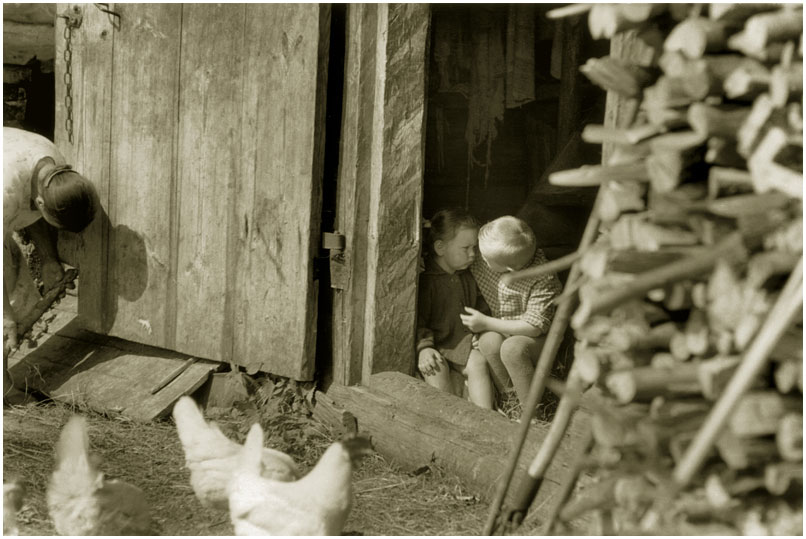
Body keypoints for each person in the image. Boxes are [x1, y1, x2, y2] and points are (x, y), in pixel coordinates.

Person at [3, 126, 98, 398]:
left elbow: (34, 209)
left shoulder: (54, 168)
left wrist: (49, 260)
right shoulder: (6, 191)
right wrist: (5, 316)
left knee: (19, 295)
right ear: (41, 203)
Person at [462, 215, 562, 408]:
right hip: (504, 327)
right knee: (488, 341)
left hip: (538, 339)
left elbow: (534, 327)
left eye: (483, 257)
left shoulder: (543, 278)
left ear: (509, 269)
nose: (476, 256)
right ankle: (510, 398)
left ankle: (531, 410)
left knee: (512, 349)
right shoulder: (490, 254)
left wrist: (486, 323)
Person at [416, 208, 494, 409]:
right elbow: (417, 321)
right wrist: (424, 348)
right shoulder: (426, 282)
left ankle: (486, 417)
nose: (472, 254)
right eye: (465, 248)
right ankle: (446, 418)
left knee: (478, 362)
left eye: (475, 248)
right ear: (440, 248)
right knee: (435, 369)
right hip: (435, 347)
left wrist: (479, 332)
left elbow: (482, 310)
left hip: (460, 345)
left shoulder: (468, 277)